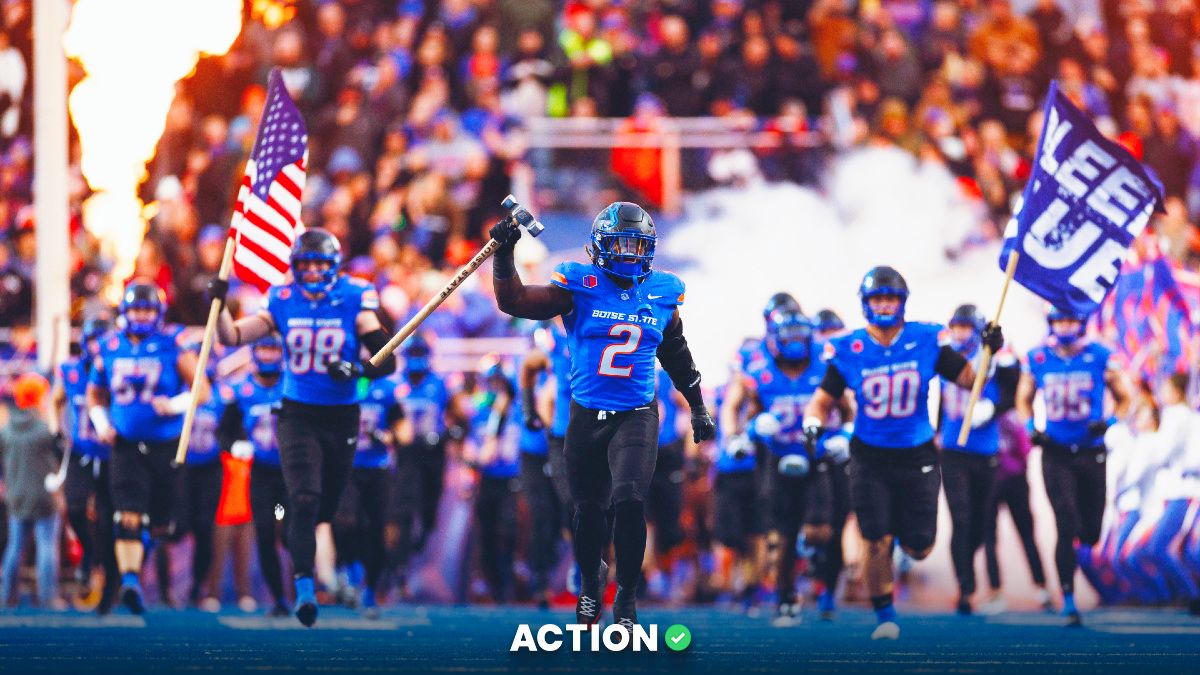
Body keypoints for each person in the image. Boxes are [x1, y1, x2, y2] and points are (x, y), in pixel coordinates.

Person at [490, 201, 716, 632]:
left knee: (630, 500)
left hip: (635, 414)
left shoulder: (663, 292)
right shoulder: (580, 283)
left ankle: (627, 596)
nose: (630, 254)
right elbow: (514, 300)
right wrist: (503, 254)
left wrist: (699, 406)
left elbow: (677, 355)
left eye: (637, 245)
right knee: (587, 512)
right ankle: (592, 583)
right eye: (621, 244)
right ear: (600, 246)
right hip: (586, 414)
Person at [803, 266, 1003, 640]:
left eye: (890, 298)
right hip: (869, 455)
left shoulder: (926, 339)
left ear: (902, 302)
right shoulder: (850, 347)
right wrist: (813, 421)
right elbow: (822, 399)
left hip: (917, 454)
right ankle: (885, 616)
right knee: (875, 538)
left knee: (920, 544)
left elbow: (970, 380)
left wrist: (989, 352)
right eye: (877, 298)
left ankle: (903, 540)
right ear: (865, 304)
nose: (884, 305)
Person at [210, 228, 397, 626]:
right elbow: (232, 337)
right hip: (297, 414)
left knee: (327, 506)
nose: (311, 273)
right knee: (304, 500)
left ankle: (317, 576)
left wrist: (358, 369)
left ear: (333, 266)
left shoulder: (353, 297)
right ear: (295, 267)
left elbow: (387, 360)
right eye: (305, 265)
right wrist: (220, 303)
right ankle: (304, 588)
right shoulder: (282, 299)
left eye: (319, 264)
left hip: (342, 414)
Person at [723, 309, 854, 626]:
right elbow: (736, 408)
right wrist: (744, 433)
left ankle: (812, 559)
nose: (795, 341)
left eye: (800, 334)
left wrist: (846, 435)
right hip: (777, 459)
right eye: (788, 335)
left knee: (821, 530)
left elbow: (849, 409)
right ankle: (785, 599)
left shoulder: (825, 367)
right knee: (781, 535)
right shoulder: (759, 370)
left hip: (815, 456)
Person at [86, 281, 204, 615]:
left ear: (159, 313)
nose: (141, 316)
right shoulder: (108, 345)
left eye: (147, 310)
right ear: (125, 311)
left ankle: (139, 556)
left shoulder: (171, 343)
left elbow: (202, 391)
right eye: (136, 309)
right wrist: (100, 422)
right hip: (125, 442)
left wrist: (176, 403)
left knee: (163, 524)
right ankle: (131, 581)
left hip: (165, 444)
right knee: (127, 514)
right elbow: (96, 392)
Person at [1016, 306, 1130, 626]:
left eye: (1070, 320)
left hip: (1091, 452)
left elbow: (1125, 397)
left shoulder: (1100, 356)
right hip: (1056, 452)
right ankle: (1068, 598)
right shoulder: (1038, 357)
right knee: (1065, 523)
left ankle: (1079, 561)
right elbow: (1023, 398)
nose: (1065, 327)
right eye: (1060, 321)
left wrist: (1108, 421)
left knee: (1091, 530)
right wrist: (1030, 427)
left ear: (1081, 323)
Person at [937, 304, 1019, 615]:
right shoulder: (946, 356)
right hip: (953, 450)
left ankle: (967, 568)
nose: (959, 334)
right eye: (955, 327)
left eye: (965, 328)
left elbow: (1014, 392)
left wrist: (994, 409)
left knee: (979, 523)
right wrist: (934, 432)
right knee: (960, 518)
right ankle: (965, 586)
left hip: (985, 451)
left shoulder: (996, 355)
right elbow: (936, 398)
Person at [219, 334, 288, 617]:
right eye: (264, 349)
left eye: (273, 350)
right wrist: (236, 444)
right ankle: (280, 598)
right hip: (261, 474)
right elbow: (224, 431)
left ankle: (302, 590)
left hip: (289, 473)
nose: (269, 356)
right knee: (264, 531)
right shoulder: (241, 390)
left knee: (290, 530)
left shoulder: (292, 387)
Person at [55, 317, 118, 612]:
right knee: (75, 506)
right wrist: (57, 429)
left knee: (108, 520)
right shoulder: (69, 371)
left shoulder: (119, 370)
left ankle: (107, 573)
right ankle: (89, 554)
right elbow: (54, 399)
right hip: (81, 450)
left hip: (112, 454)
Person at [334, 361, 405, 618]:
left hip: (377, 468)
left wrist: (385, 437)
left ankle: (371, 591)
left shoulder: (387, 391)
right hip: (348, 466)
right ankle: (349, 570)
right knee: (345, 522)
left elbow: (403, 433)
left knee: (376, 529)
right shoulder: (343, 386)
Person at [390, 335, 456, 593]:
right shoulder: (396, 387)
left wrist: (452, 432)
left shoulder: (440, 385)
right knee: (404, 511)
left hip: (433, 453)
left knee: (429, 513)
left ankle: (417, 544)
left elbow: (457, 415)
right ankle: (400, 568)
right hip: (406, 457)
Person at [161, 346, 225, 609]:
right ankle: (165, 589)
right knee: (173, 526)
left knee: (205, 527)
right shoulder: (175, 394)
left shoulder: (221, 396)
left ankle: (199, 587)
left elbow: (233, 428)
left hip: (209, 467)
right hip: (180, 467)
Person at [0, 373, 65, 610]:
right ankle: (48, 597)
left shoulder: (6, 431)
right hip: (44, 497)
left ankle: (8, 596)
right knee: (46, 546)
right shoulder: (45, 430)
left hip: (15, 496)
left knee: (14, 548)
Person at [514, 338, 561, 609]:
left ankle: (577, 574)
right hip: (533, 453)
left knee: (567, 514)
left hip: (563, 448)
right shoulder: (525, 370)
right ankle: (539, 579)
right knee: (541, 514)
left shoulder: (567, 365)